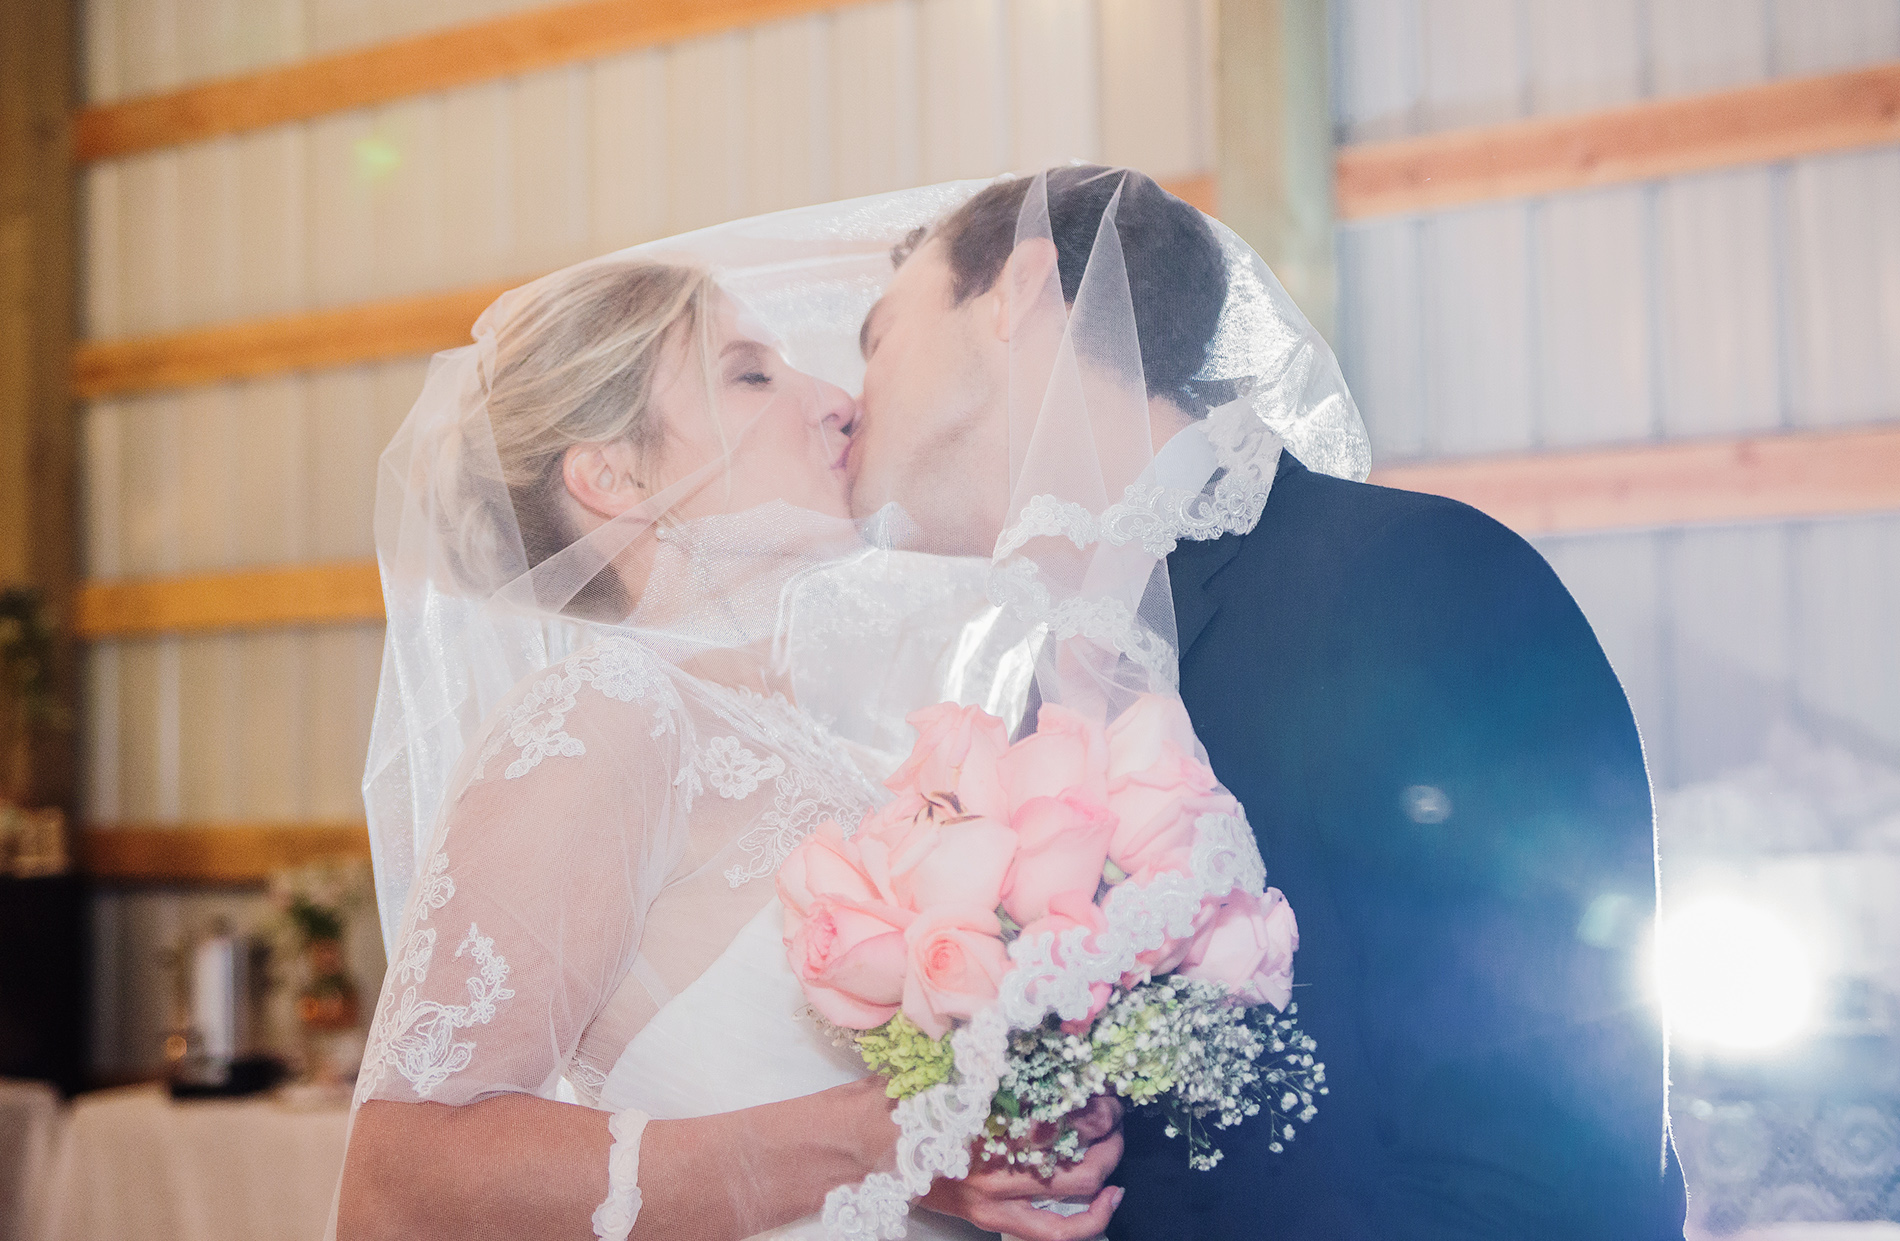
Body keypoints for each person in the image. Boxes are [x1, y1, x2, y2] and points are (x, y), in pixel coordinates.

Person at [846, 165, 1690, 1239]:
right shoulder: (1041, 691)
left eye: (875, 335)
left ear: (1017, 292)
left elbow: (1553, 1167)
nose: (846, 394)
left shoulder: (1414, 581)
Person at [336, 247, 1127, 1241]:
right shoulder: (604, 712)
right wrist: (877, 1139)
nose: (837, 400)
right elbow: (401, 1178)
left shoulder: (821, 743)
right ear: (615, 475)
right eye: (750, 372)